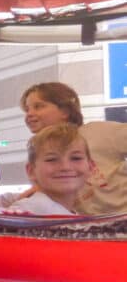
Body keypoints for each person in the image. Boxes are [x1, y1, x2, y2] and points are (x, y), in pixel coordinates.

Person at [20, 82, 127, 215]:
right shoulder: (38, 152)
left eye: (38, 106)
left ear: (65, 111)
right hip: (90, 229)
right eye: (27, 109)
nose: (29, 114)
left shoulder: (98, 132)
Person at [11, 123, 92, 215]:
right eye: (52, 159)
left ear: (90, 167)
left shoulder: (72, 215)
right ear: (31, 171)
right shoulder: (25, 213)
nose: (65, 167)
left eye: (76, 158)